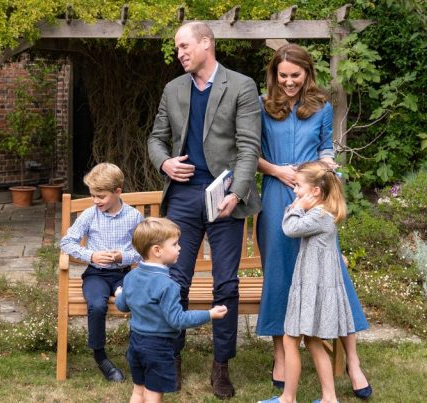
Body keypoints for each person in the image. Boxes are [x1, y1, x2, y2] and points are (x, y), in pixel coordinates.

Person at [147, 21, 261, 398]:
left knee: (225, 284)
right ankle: (172, 357)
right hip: (182, 198)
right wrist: (164, 163)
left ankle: (221, 365)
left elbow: (248, 147)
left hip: (224, 198)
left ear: (206, 43)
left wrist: (239, 192)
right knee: (174, 282)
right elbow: (155, 138)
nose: (179, 53)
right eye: (177, 47)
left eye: (184, 46)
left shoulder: (241, 86)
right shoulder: (173, 89)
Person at [254, 43, 372, 399]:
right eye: (283, 75)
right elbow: (251, 153)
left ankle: (352, 361)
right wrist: (278, 170)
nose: (289, 82)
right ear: (274, 74)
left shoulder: (321, 106)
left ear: (307, 74)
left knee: (331, 272)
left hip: (314, 195)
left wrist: (324, 165)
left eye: (296, 75)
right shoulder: (261, 106)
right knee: (280, 272)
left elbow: (326, 147)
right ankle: (280, 353)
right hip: (277, 194)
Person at [259, 161, 353, 403]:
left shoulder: (319, 215)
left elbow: (289, 228)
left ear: (316, 191)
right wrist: (301, 204)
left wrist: (295, 206)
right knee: (312, 341)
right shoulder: (322, 213)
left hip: (312, 289)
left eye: (299, 186)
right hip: (312, 285)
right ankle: (329, 398)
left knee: (291, 339)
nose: (295, 190)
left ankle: (287, 398)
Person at [115, 217, 228, 403]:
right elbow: (178, 320)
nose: (180, 248)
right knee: (153, 395)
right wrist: (209, 314)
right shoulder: (168, 285)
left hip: (135, 343)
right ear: (157, 251)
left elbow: (122, 306)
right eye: (175, 244)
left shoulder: (131, 276)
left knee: (138, 391)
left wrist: (120, 293)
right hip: (158, 347)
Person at [60, 162, 144, 382]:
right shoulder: (90, 215)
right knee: (97, 305)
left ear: (117, 191)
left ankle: (135, 352)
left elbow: (144, 249)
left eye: (101, 196)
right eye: (93, 196)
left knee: (137, 301)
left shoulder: (134, 217)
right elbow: (66, 242)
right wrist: (91, 256)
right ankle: (101, 357)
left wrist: (122, 257)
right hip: (96, 274)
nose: (96, 201)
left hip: (124, 274)